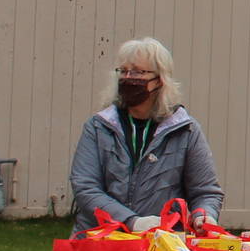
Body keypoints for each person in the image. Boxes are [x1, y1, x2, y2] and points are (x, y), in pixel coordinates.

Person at [70, 37, 223, 237]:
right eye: (123, 71)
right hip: (100, 243)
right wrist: (131, 221)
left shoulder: (187, 131)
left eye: (138, 72)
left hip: (161, 244)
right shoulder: (98, 127)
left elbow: (205, 191)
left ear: (160, 80)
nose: (127, 77)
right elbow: (85, 187)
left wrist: (205, 215)